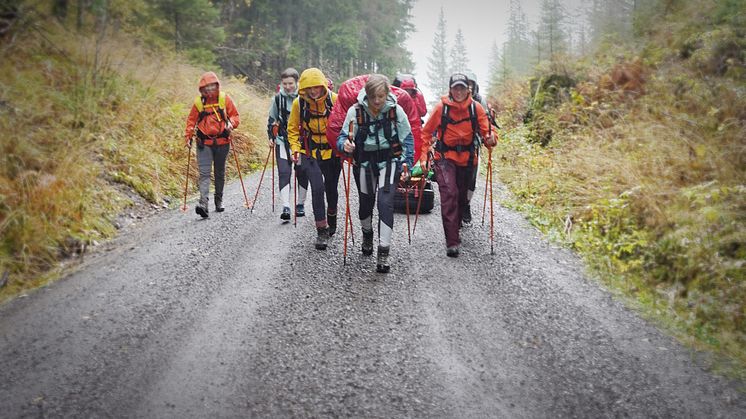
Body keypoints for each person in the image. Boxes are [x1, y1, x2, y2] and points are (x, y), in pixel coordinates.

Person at [337, 75, 413, 273]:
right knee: (365, 205)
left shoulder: (396, 111)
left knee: (385, 203)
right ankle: (367, 233)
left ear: (387, 94)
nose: (377, 101)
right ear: (367, 96)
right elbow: (343, 137)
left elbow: (407, 139)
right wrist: (345, 145)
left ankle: (383, 251)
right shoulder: (355, 111)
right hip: (363, 163)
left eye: (380, 96)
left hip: (389, 161)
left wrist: (407, 164)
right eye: (373, 97)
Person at [420, 73, 495, 257]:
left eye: (462, 88)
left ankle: (457, 225)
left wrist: (491, 139)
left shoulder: (475, 109)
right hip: (444, 158)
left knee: (462, 198)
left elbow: (487, 131)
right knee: (449, 194)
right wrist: (423, 157)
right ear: (450, 90)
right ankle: (452, 242)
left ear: (468, 89)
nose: (459, 91)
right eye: (456, 88)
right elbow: (426, 133)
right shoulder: (441, 109)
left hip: (468, 158)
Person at [287, 67, 340, 250]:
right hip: (309, 151)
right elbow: (292, 129)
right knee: (317, 188)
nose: (312, 91)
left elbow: (344, 125)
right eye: (309, 88)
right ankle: (321, 230)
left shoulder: (334, 100)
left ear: (322, 85)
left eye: (316, 87)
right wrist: (295, 148)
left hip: (332, 152)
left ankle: (332, 215)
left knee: (331, 189)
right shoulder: (298, 104)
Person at [184, 71, 240, 218]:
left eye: (212, 86)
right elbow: (191, 121)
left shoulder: (224, 99)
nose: (209, 89)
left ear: (217, 85)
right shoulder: (199, 103)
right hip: (204, 143)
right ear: (202, 88)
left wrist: (231, 123)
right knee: (204, 173)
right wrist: (188, 137)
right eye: (206, 87)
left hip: (223, 142)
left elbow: (235, 116)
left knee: (219, 172)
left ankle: (218, 200)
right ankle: (203, 204)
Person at [267, 68, 308, 221]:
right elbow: (271, 118)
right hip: (282, 140)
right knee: (284, 172)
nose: (287, 86)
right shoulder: (277, 99)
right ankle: (286, 206)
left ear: (296, 83)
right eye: (285, 83)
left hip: (301, 141)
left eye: (290, 83)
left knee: (302, 171)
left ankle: (300, 204)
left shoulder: (304, 98)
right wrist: (271, 136)